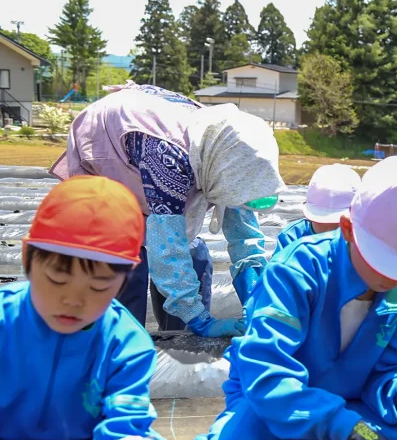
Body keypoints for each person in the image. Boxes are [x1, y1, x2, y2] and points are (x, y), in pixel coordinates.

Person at [193, 154, 397, 440]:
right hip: (283, 400)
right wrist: (348, 429)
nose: (394, 280)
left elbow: (395, 370)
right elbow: (267, 374)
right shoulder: (297, 271)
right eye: (385, 263)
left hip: (358, 403)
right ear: (348, 229)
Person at [0, 177, 187, 440]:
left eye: (99, 285)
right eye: (57, 278)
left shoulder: (126, 344)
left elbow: (124, 421)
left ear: (124, 281)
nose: (74, 301)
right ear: (27, 259)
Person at [50, 84, 282, 337]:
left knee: (195, 255)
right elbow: (168, 249)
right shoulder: (167, 157)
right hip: (112, 148)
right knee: (126, 259)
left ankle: (177, 339)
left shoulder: (234, 157)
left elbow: (245, 238)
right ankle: (121, 343)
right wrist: (201, 321)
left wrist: (254, 300)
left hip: (162, 148)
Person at [276, 163, 361, 251]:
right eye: (322, 220)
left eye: (337, 223)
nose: (329, 230)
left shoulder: (363, 238)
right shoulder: (292, 236)